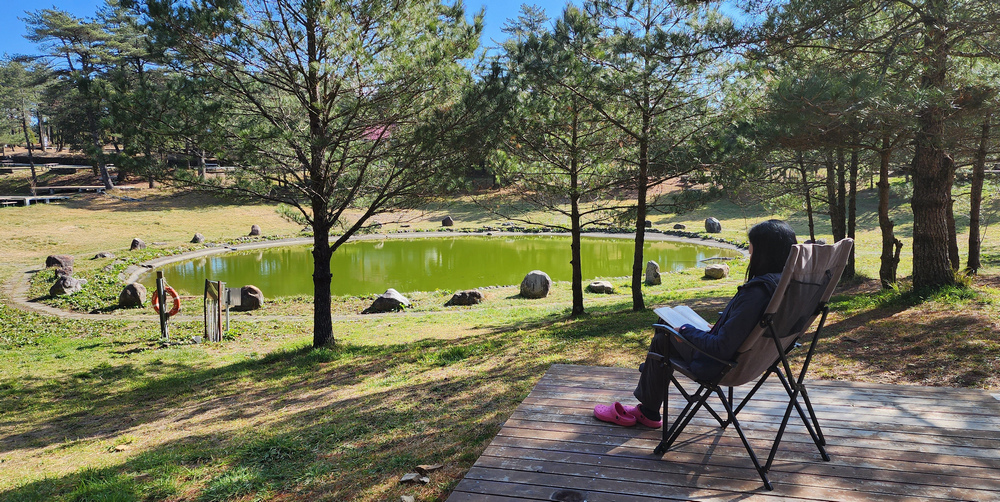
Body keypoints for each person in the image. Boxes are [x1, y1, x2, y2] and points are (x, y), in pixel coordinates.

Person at [594, 219, 798, 428]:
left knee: (663, 336)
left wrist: (685, 330)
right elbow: (749, 329)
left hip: (719, 364)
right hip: (756, 361)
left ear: (764, 253)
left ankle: (648, 407)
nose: (749, 253)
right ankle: (652, 369)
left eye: (751, 249)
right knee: (666, 324)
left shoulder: (757, 292)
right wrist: (720, 328)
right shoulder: (788, 287)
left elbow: (720, 347)